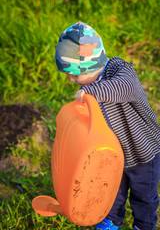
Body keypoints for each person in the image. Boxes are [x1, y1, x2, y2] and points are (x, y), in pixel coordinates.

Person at [55, 21, 160, 230]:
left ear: (90, 65)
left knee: (144, 197)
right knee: (110, 192)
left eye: (74, 74)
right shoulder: (93, 86)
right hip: (114, 156)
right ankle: (109, 223)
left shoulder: (120, 71)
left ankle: (143, 225)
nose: (71, 80)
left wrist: (92, 91)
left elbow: (123, 87)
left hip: (143, 153)